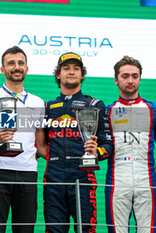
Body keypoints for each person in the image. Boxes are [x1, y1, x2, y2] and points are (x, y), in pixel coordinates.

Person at [41, 52, 113, 233]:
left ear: (82, 74)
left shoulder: (95, 104)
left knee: (86, 230)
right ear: (58, 74)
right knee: (53, 230)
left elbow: (108, 145)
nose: (71, 72)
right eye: (66, 68)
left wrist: (97, 152)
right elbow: (39, 144)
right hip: (54, 176)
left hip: (83, 175)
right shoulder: (48, 107)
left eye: (76, 69)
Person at [0, 46, 45, 233]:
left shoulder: (38, 102)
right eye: (11, 63)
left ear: (27, 68)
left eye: (21, 63)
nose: (16, 67)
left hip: (28, 174)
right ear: (2, 69)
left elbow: (40, 147)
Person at [105, 55, 156, 233]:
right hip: (117, 178)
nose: (130, 80)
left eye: (135, 76)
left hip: (146, 177)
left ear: (140, 78)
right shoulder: (107, 111)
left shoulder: (155, 110)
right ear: (116, 80)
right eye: (125, 76)